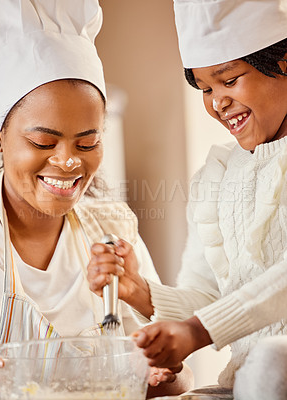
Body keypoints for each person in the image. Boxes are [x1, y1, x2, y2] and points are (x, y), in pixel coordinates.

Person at [0, 0, 193, 398]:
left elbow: (175, 380)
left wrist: (167, 369)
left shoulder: (112, 229)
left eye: (88, 142)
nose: (67, 161)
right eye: (43, 141)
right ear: (1, 136)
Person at [87, 0, 287, 397]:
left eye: (229, 81)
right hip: (244, 386)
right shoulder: (216, 178)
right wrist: (138, 291)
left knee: (269, 363)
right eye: (206, 88)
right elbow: (208, 295)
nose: (217, 102)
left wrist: (197, 331)